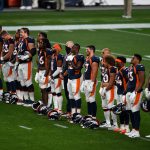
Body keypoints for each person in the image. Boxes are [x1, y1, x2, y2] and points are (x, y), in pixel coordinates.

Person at [125, 54, 145, 138]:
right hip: (129, 92)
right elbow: (129, 80)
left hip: (136, 92)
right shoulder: (132, 67)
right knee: (130, 111)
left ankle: (137, 131)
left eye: (133, 58)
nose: (131, 59)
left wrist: (135, 92)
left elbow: (142, 80)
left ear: (137, 59)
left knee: (135, 111)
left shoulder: (139, 66)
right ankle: (133, 129)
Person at [17, 28, 36, 106]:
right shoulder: (22, 40)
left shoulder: (29, 39)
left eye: (21, 32)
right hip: (21, 63)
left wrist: (26, 56)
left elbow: (33, 50)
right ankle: (26, 99)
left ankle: (32, 100)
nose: (20, 33)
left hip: (26, 63)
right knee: (22, 82)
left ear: (26, 32)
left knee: (28, 81)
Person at [99, 55, 118, 129]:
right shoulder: (108, 69)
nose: (103, 63)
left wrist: (105, 89)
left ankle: (115, 124)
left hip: (110, 90)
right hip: (106, 89)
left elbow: (112, 82)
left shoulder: (112, 69)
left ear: (108, 62)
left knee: (111, 107)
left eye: (104, 61)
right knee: (105, 106)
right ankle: (108, 123)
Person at [82, 45, 100, 119]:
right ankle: (89, 115)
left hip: (91, 80)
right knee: (87, 99)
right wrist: (83, 81)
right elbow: (86, 71)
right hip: (86, 80)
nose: (86, 51)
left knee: (92, 99)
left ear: (91, 50)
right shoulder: (88, 58)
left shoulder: (94, 58)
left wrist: (92, 83)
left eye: (87, 49)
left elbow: (94, 71)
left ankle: (94, 117)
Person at [66, 43, 84, 115]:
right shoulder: (70, 56)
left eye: (73, 48)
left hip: (76, 78)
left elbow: (77, 67)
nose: (71, 49)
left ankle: (78, 114)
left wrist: (71, 62)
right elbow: (69, 67)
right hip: (70, 78)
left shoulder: (80, 56)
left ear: (76, 49)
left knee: (76, 95)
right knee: (70, 95)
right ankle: (73, 113)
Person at [115, 56, 130, 134]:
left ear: (122, 62)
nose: (116, 62)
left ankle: (127, 127)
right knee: (120, 110)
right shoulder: (118, 69)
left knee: (125, 110)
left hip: (124, 93)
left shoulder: (125, 71)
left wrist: (125, 92)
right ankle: (121, 126)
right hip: (119, 93)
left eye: (117, 61)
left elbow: (129, 82)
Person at [47, 43, 63, 113]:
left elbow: (59, 69)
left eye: (54, 47)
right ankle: (55, 107)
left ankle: (60, 109)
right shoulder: (53, 56)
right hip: (53, 76)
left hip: (57, 77)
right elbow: (51, 67)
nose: (52, 48)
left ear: (57, 48)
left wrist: (52, 76)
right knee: (53, 92)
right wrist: (50, 75)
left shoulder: (59, 56)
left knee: (58, 92)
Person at [60, 41, 74, 116]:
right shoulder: (66, 55)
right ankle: (69, 110)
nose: (66, 48)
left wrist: (63, 74)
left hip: (70, 77)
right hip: (66, 76)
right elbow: (64, 66)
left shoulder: (72, 56)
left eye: (68, 46)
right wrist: (61, 73)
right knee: (67, 93)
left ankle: (71, 111)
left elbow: (70, 68)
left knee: (70, 94)